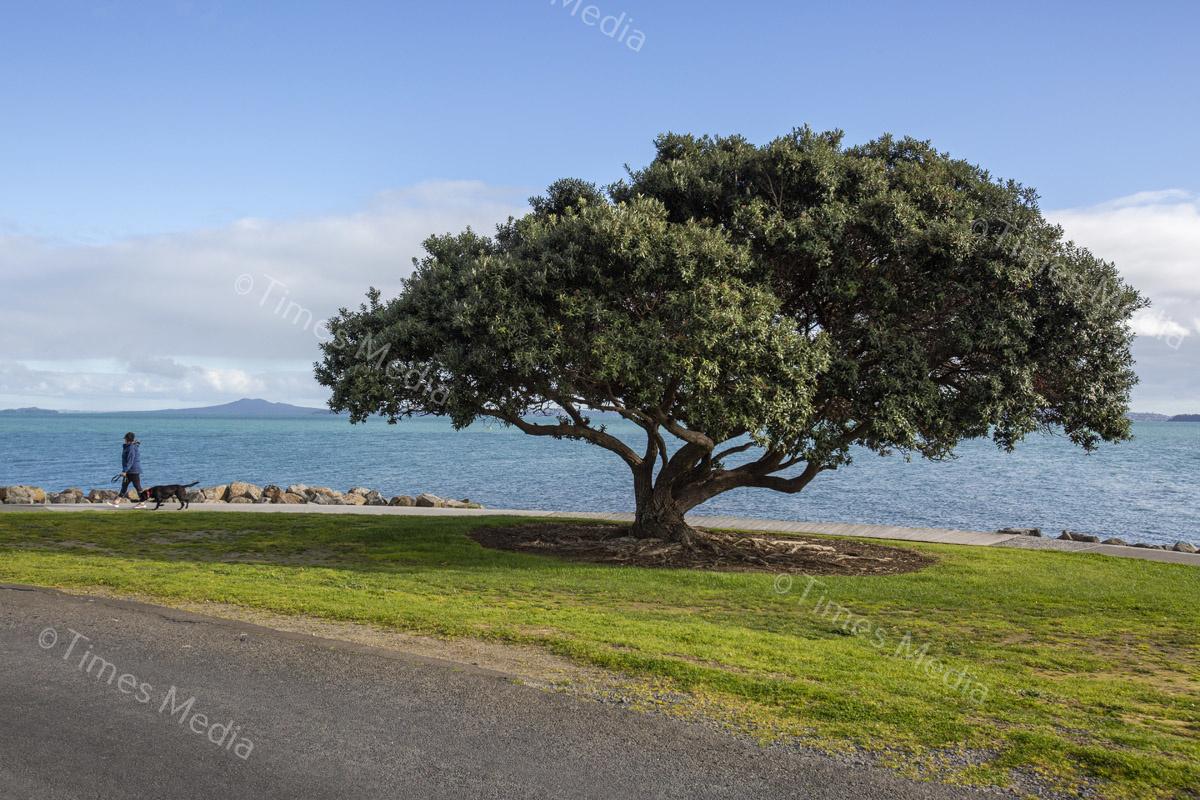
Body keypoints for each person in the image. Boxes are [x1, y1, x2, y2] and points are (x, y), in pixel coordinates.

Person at [111, 432, 146, 508]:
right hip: (129, 470)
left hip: (133, 470)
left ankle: (142, 503)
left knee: (137, 486)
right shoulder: (130, 446)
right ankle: (116, 502)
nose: (124, 440)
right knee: (124, 485)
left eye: (125, 438)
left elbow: (130, 460)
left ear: (127, 439)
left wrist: (124, 471)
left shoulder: (131, 448)